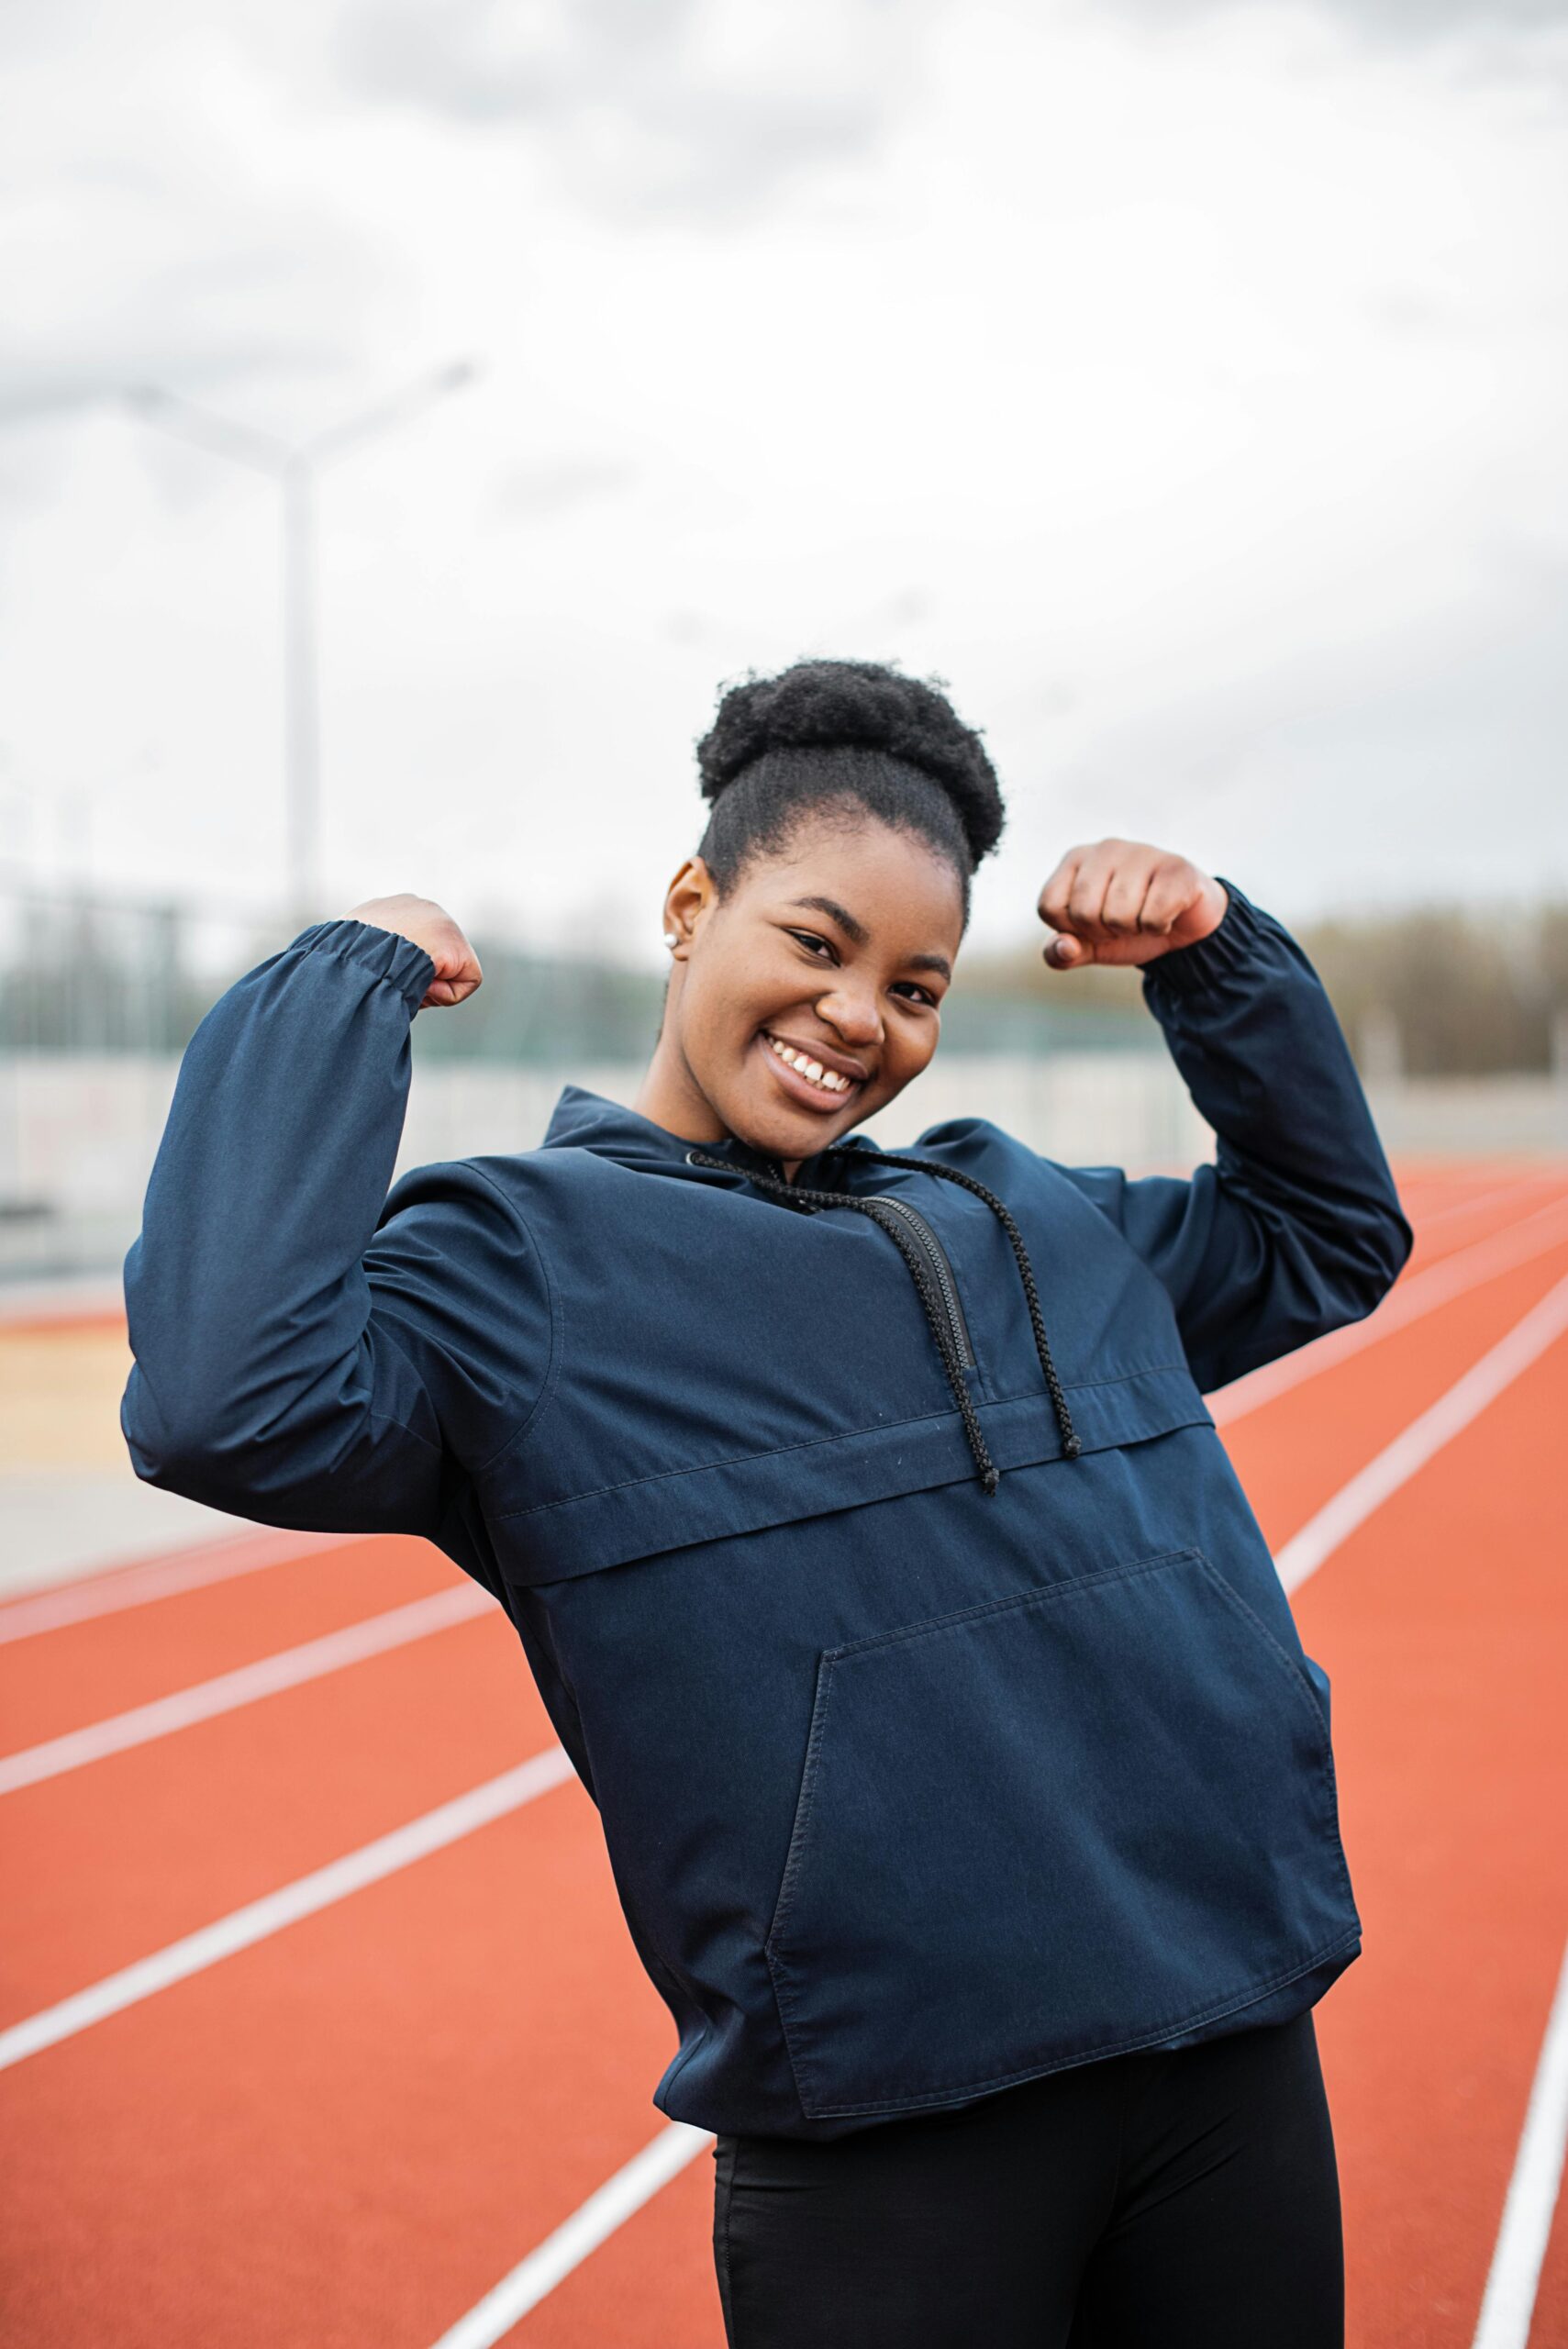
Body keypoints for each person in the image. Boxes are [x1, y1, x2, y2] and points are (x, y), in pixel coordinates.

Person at [120, 655, 1412, 2347]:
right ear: (688, 905)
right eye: (816, 943)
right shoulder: (516, 1270)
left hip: (1233, 2053)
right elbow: (228, 1405)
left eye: (915, 983)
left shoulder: (1035, 1214)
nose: (860, 1018)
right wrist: (334, 985)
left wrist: (1215, 955)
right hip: (892, 2139)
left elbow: (1327, 1239)